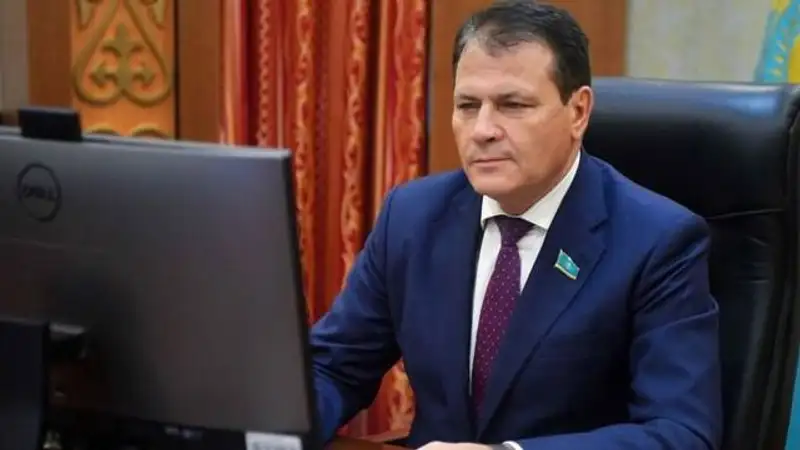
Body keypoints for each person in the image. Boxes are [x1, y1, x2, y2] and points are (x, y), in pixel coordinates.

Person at [309, 1, 723, 449]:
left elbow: (680, 433)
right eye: (468, 105)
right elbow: (332, 367)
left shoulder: (658, 241)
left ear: (578, 111)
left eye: (513, 105)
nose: (482, 130)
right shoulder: (412, 216)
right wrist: (272, 431)